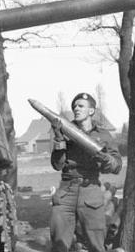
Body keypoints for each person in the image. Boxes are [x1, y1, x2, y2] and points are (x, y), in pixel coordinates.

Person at [49, 93, 122, 252]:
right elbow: (57, 165)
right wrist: (59, 139)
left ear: (91, 111)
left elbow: (117, 166)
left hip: (90, 190)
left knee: (95, 243)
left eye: (81, 106)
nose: (76, 108)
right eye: (74, 106)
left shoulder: (103, 134)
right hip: (66, 190)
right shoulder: (65, 130)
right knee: (58, 242)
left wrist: (105, 159)